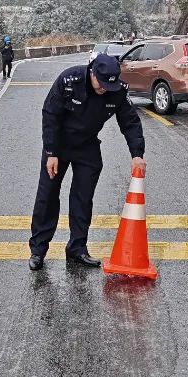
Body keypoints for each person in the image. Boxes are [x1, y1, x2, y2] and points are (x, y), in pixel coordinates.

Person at [28, 54, 146, 270]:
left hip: (87, 145)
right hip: (59, 145)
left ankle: (77, 248)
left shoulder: (117, 90)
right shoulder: (69, 80)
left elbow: (130, 122)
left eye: (108, 86)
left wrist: (137, 154)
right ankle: (38, 250)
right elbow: (50, 114)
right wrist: (51, 152)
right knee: (47, 196)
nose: (104, 89)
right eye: (100, 84)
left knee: (83, 198)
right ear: (92, 72)